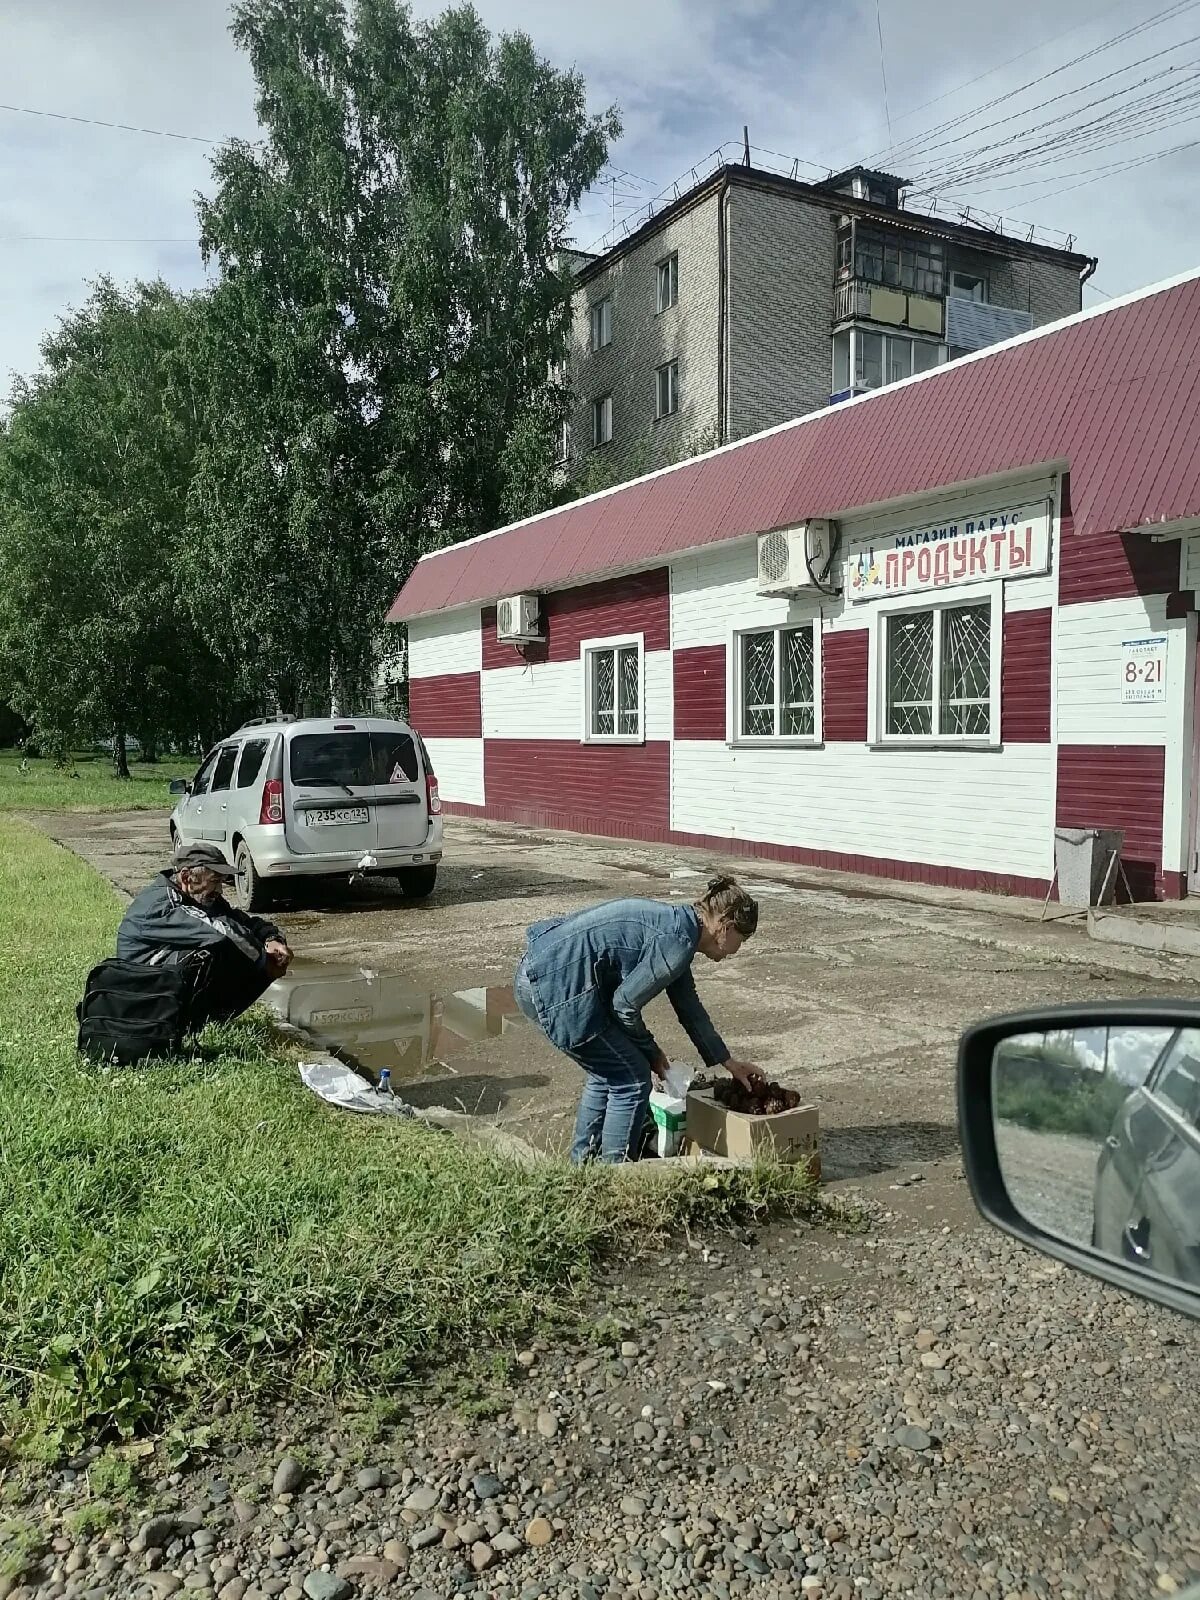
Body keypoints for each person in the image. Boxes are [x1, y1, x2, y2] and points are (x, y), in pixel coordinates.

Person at [513, 876, 762, 1164]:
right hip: (556, 987)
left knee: (609, 1071)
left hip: (540, 974)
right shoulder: (677, 941)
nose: (737, 950)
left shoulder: (679, 928)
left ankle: (584, 1168)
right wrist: (651, 1052)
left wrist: (728, 1062)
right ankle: (616, 1175)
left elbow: (689, 1007)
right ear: (726, 927)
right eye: (741, 941)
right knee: (631, 1079)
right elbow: (624, 1006)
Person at [117, 842, 293, 1030]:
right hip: (141, 993)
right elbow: (223, 934)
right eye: (215, 880)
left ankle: (212, 1019)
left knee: (242, 948)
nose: (220, 889)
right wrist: (265, 962)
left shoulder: (198, 895)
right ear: (186, 876)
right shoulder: (163, 905)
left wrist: (271, 939)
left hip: (162, 982)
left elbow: (238, 921)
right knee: (212, 952)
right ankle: (189, 1022)